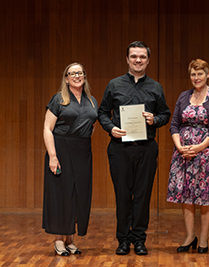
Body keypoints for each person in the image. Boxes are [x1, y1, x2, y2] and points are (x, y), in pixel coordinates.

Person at [98, 41, 171, 255]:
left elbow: (165, 114)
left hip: (146, 148)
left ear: (148, 60)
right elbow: (102, 112)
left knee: (142, 195)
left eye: (142, 57)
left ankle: (139, 239)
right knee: (122, 195)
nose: (137, 60)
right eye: (133, 56)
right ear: (127, 59)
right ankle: (123, 239)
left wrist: (155, 120)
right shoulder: (114, 85)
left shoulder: (156, 87)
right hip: (119, 149)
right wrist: (110, 128)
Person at [167, 59, 209, 254]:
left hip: (208, 153)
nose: (196, 78)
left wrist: (199, 147)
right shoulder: (183, 96)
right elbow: (174, 124)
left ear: (208, 74)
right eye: (193, 74)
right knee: (186, 193)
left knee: (205, 195)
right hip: (184, 153)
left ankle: (203, 237)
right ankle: (189, 236)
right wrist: (180, 147)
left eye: (200, 73)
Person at [42, 63, 98, 256]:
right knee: (61, 194)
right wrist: (52, 156)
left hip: (83, 152)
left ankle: (70, 239)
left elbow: (92, 125)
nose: (77, 76)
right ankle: (58, 240)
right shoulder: (58, 100)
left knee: (78, 194)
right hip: (61, 150)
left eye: (80, 73)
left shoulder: (92, 101)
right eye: (72, 73)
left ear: (84, 76)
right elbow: (47, 129)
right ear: (66, 78)